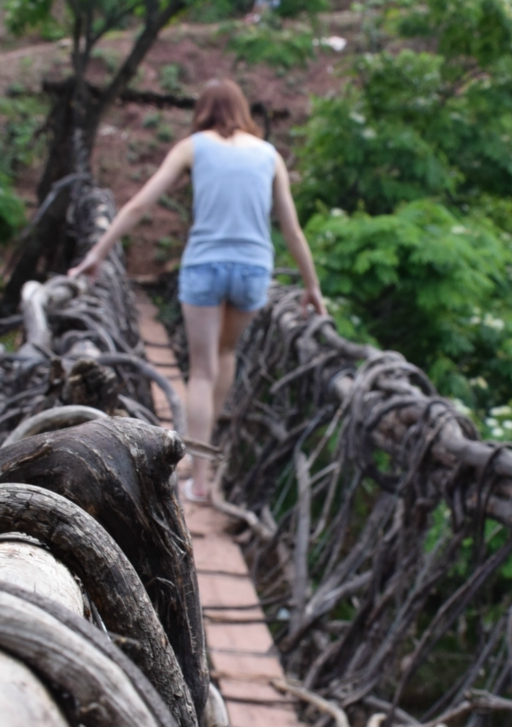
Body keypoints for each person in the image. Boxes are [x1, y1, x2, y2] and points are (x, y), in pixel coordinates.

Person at [68, 78, 327, 503]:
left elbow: (138, 204)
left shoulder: (193, 146)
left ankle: (200, 478)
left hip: (205, 265)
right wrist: (311, 286)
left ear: (203, 110)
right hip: (252, 269)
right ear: (243, 109)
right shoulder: (269, 155)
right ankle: (209, 473)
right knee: (225, 356)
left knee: (202, 371)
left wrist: (98, 253)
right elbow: (292, 228)